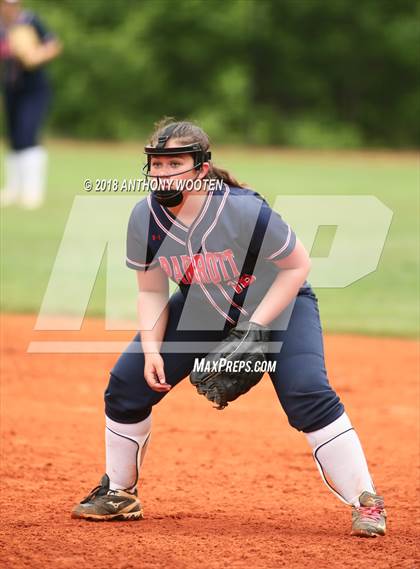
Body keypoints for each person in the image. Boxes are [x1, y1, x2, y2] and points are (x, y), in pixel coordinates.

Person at [71, 119, 386, 538]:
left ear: (202, 168)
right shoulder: (144, 217)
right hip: (202, 308)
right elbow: (150, 291)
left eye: (175, 163)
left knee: (307, 392)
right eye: (157, 164)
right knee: (126, 385)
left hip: (278, 308)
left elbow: (297, 267)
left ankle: (367, 501)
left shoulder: (242, 210)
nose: (163, 173)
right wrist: (151, 350)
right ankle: (120, 492)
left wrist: (255, 328)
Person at [0, 0, 61, 209]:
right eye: (7, 4)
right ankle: (13, 189)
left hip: (34, 89)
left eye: (15, 4)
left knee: (28, 134)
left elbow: (54, 45)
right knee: (15, 138)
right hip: (11, 89)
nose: (11, 8)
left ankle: (32, 191)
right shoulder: (2, 26)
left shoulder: (30, 20)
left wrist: (36, 55)